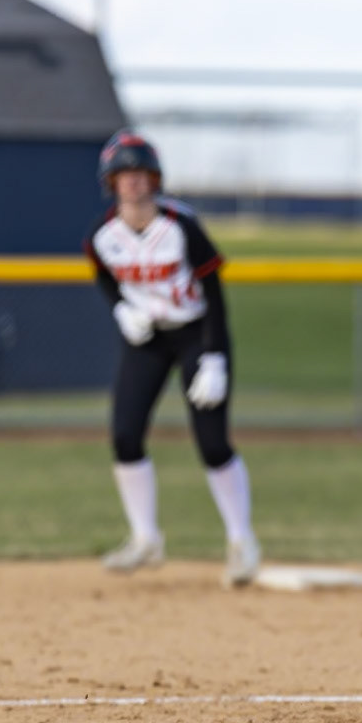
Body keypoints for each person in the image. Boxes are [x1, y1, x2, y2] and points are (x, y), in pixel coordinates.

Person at [84, 129, 260, 588]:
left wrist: (215, 357)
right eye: (123, 174)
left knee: (212, 443)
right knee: (125, 436)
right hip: (147, 338)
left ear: (155, 178)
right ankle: (145, 538)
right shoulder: (104, 235)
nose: (133, 182)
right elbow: (103, 275)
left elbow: (213, 293)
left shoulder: (180, 225)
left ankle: (241, 541)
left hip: (197, 333)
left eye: (141, 173)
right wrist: (121, 309)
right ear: (110, 181)